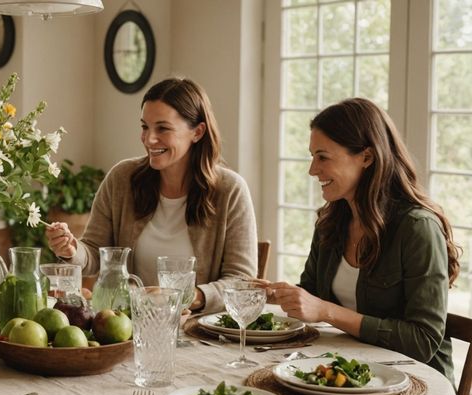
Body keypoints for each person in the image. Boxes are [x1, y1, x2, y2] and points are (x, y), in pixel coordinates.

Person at [263, 98, 460, 379]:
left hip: (417, 383)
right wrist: (278, 294)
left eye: (323, 157)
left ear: (366, 157)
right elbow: (312, 295)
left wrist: (329, 312)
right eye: (312, 156)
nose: (312, 170)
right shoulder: (331, 222)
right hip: (349, 371)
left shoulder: (417, 228)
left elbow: (423, 341)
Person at [45, 77, 257, 313]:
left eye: (163, 128)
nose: (149, 139)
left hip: (199, 333)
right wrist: (72, 250)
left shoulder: (230, 191)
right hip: (128, 327)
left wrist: (188, 297)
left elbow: (242, 282)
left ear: (197, 132)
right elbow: (94, 254)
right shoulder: (121, 178)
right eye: (145, 127)